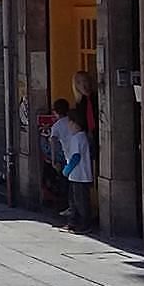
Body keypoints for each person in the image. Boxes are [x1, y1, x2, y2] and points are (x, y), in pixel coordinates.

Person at [52, 98, 94, 231]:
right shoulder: (80, 137)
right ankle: (74, 222)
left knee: (81, 201)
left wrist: (66, 170)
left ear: (75, 123)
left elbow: (76, 157)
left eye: (69, 122)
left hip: (79, 175)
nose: (68, 125)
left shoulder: (78, 138)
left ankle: (84, 224)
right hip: (77, 175)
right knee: (75, 200)